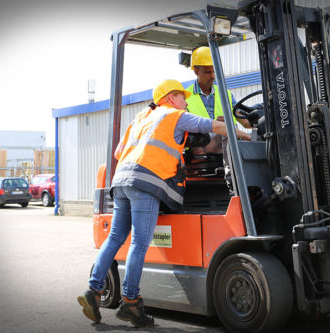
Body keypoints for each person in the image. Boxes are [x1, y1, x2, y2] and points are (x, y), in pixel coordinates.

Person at [77, 79, 250, 328]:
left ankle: (93, 292)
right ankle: (130, 302)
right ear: (170, 98)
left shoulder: (140, 119)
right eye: (182, 97)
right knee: (139, 242)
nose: (186, 101)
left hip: (121, 180)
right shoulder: (174, 115)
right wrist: (243, 132)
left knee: (115, 238)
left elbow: (118, 152)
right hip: (145, 182)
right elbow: (212, 126)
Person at [186, 46, 252, 192]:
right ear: (196, 71)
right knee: (226, 132)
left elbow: (245, 121)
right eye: (208, 72)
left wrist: (260, 120)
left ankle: (252, 179)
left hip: (224, 141)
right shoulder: (186, 96)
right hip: (202, 142)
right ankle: (234, 183)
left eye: (214, 71)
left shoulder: (226, 94)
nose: (213, 76)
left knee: (254, 137)